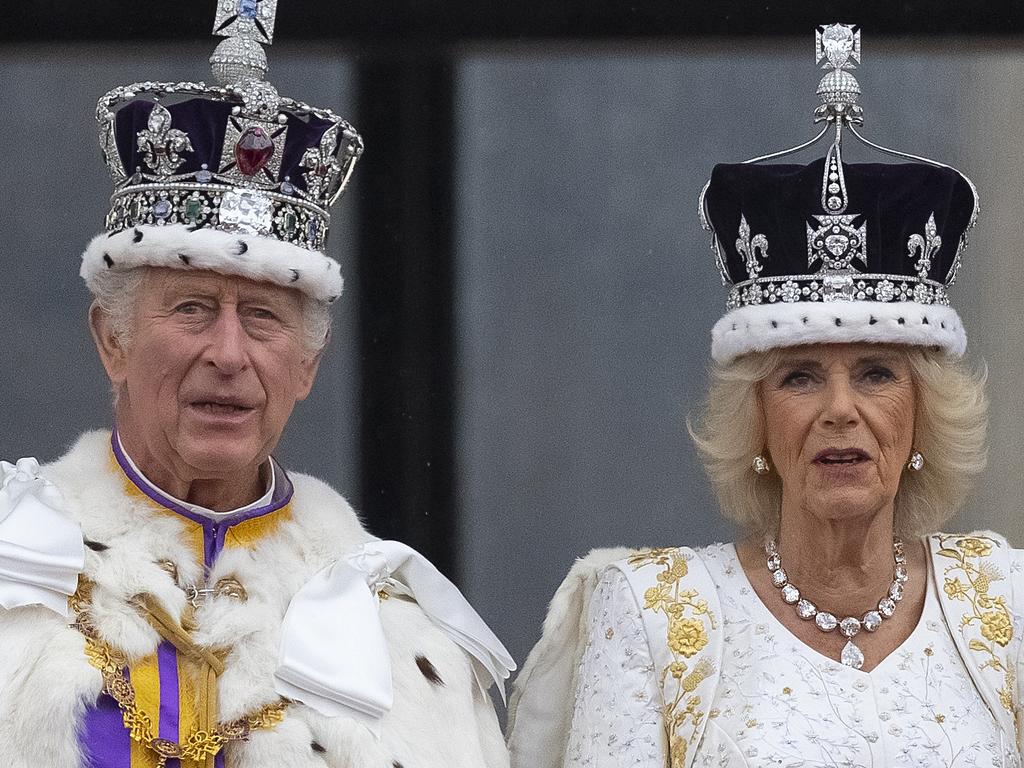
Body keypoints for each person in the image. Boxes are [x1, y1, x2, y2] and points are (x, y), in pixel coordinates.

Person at [0, 3, 513, 767]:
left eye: (264, 317)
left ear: (306, 365)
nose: (229, 354)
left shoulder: (404, 638)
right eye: (193, 309)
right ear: (112, 340)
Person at [507, 23, 1023, 767]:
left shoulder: (1004, 603)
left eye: (876, 372)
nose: (839, 408)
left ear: (923, 415)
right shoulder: (652, 615)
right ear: (754, 417)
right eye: (800, 375)